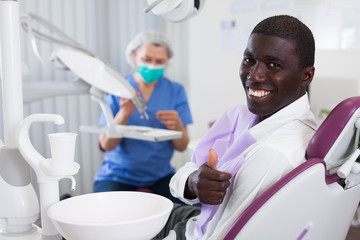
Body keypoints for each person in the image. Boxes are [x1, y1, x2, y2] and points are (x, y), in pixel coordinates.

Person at [155, 15, 317, 239]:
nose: (254, 75)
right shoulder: (239, 115)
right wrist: (193, 183)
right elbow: (184, 173)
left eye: (273, 65)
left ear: (306, 76)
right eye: (249, 60)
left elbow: (223, 235)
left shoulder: (273, 154)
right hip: (196, 217)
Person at [94, 30, 193, 204]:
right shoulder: (118, 89)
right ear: (135, 55)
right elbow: (106, 145)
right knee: (107, 213)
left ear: (167, 62)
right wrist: (123, 115)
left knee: (188, 212)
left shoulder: (176, 90)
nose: (153, 66)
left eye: (159, 61)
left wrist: (177, 125)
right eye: (147, 59)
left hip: (160, 176)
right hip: (116, 176)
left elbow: (182, 146)